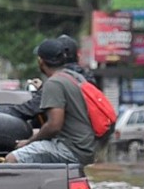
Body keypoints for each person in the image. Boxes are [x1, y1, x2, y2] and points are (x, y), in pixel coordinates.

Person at [6, 38, 96, 166]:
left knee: (12, 159)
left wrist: (28, 143)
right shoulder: (73, 77)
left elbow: (54, 126)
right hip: (85, 145)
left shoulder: (54, 83)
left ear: (40, 61)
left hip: (72, 149)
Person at [0, 34, 95, 128]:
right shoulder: (82, 77)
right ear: (78, 55)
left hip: (71, 140)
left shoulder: (59, 80)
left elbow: (34, 108)